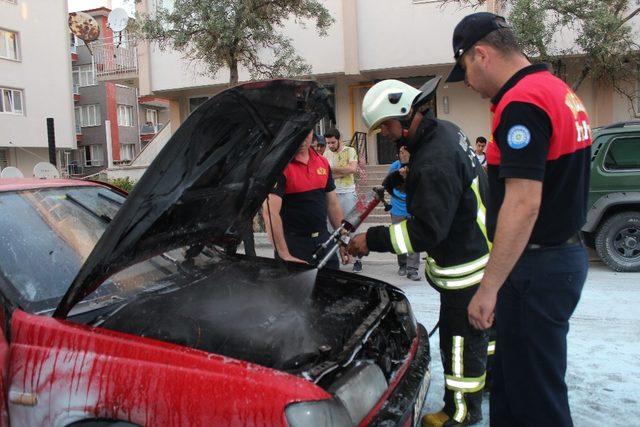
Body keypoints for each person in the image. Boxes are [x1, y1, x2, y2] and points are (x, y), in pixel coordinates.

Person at [446, 12, 592, 426]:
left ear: (481, 54)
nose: (469, 84)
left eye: (465, 72)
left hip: (536, 268)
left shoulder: (523, 103)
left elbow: (523, 202)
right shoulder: (556, 89)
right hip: (553, 260)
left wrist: (488, 289)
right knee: (511, 388)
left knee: (537, 401)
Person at [349, 77, 491, 426]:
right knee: (482, 338)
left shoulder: (432, 162)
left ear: (403, 114)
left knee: (458, 344)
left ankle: (460, 412)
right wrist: (409, 177)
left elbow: (426, 231)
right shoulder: (446, 131)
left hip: (463, 269)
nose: (383, 133)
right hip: (480, 251)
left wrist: (373, 239)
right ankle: (488, 386)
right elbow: (449, 180)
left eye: (385, 126)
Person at [262, 130, 346, 269]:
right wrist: (284, 254)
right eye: (296, 133)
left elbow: (333, 204)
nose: (301, 140)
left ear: (312, 132)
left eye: (305, 133)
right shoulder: (278, 167)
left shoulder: (322, 162)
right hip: (294, 245)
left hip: (323, 240)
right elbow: (270, 212)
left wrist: (342, 240)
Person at [323, 128, 364, 273]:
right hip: (332, 194)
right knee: (332, 229)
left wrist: (334, 171)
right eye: (328, 143)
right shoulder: (326, 153)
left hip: (347, 193)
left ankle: (357, 260)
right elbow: (326, 175)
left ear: (339, 139)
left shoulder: (350, 151)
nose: (330, 145)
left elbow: (352, 169)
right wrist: (341, 171)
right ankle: (336, 259)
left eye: (333, 142)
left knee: (351, 227)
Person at [387, 144, 420, 281]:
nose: (403, 154)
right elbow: (389, 184)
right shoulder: (394, 166)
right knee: (399, 239)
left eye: (405, 151)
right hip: (397, 208)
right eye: (400, 152)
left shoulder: (417, 165)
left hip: (413, 207)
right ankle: (402, 264)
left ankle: (412, 269)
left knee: (414, 238)